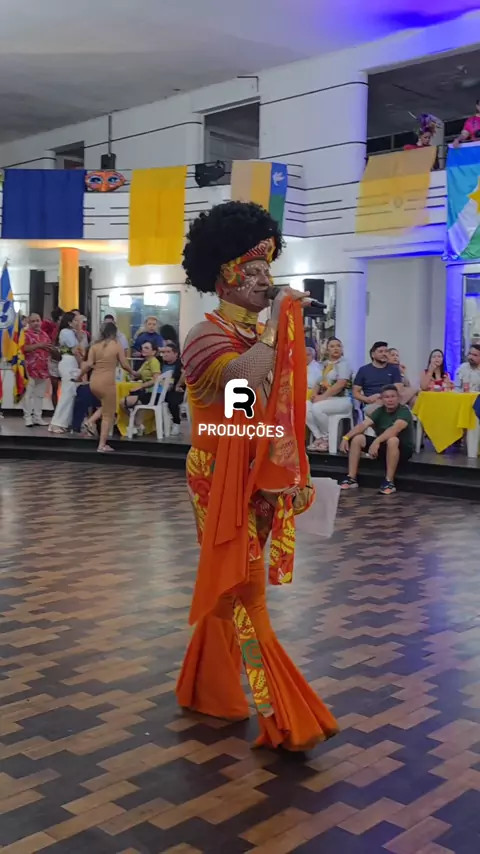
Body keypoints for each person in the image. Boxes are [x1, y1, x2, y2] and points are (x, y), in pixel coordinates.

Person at [176, 200, 338, 751]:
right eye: (253, 271)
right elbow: (239, 382)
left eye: (268, 270)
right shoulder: (205, 335)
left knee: (232, 585)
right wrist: (276, 328)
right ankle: (286, 717)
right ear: (224, 276)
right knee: (247, 588)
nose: (265, 281)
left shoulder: (252, 335)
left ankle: (207, 687)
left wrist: (282, 460)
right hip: (216, 476)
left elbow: (245, 412)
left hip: (252, 472)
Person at [340, 385, 414, 495]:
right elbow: (363, 425)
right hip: (383, 446)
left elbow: (394, 429)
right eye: (386, 397)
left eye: (393, 396)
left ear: (398, 398)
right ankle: (351, 478)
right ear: (382, 399)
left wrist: (377, 441)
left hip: (402, 449)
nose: (390, 400)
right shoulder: (380, 411)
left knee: (393, 440)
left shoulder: (404, 411)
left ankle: (389, 482)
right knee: (358, 438)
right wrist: (346, 437)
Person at [77, 321, 135, 452]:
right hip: (107, 382)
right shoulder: (116, 345)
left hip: (94, 382)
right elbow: (124, 364)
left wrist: (79, 376)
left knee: (107, 406)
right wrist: (134, 372)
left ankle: (90, 421)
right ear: (114, 332)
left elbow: (88, 364)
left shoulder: (94, 346)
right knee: (108, 414)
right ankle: (102, 445)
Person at [306, 337, 351, 451]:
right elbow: (319, 381)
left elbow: (341, 384)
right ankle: (319, 437)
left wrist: (322, 397)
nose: (336, 348)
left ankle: (327, 438)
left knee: (317, 408)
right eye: (332, 346)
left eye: (338, 346)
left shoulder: (343, 364)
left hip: (342, 399)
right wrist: (314, 394)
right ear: (327, 350)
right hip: (328, 399)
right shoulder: (326, 364)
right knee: (304, 407)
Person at [48, 312, 85, 433]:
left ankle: (65, 422)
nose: (78, 323)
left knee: (71, 393)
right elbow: (75, 350)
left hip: (72, 363)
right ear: (69, 322)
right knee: (66, 393)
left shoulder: (73, 333)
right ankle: (56, 423)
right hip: (68, 362)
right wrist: (82, 365)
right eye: (75, 320)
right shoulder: (66, 332)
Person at [122, 340, 162, 435]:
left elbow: (156, 379)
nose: (143, 349)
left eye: (146, 348)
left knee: (122, 403)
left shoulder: (154, 362)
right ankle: (138, 425)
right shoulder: (146, 362)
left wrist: (141, 386)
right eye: (143, 348)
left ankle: (135, 423)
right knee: (132, 398)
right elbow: (137, 374)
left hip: (153, 393)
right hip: (147, 392)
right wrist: (128, 370)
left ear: (153, 352)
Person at [353, 341, 403, 415]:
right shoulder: (363, 370)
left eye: (386, 351)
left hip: (390, 400)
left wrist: (381, 396)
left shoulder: (394, 369)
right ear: (373, 355)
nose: (384, 354)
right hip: (373, 403)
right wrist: (367, 399)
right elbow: (355, 392)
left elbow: (397, 388)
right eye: (380, 351)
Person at [23, 313, 52, 427]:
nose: (36, 323)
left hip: (43, 368)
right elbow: (23, 348)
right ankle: (27, 418)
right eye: (33, 321)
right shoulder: (25, 334)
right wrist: (38, 345)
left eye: (38, 320)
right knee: (28, 394)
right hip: (29, 368)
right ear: (29, 323)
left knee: (39, 395)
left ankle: (37, 417)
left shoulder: (45, 334)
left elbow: (49, 348)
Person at [162, 341, 185, 437]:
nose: (165, 354)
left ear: (175, 354)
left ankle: (176, 423)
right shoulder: (160, 363)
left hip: (176, 390)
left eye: (168, 352)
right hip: (161, 390)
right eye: (164, 352)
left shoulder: (180, 364)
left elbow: (185, 374)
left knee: (173, 402)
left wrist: (178, 385)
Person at [42, 307, 63, 408]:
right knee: (56, 388)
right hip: (55, 358)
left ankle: (58, 410)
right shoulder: (52, 328)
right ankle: (57, 410)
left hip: (55, 358)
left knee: (56, 388)